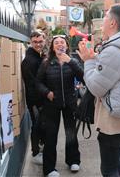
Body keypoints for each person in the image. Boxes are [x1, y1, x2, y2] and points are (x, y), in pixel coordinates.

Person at [77, 4, 120, 177]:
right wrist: (94, 59)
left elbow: (96, 88)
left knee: (109, 169)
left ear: (112, 22)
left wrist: (88, 61)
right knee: (116, 164)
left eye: (105, 17)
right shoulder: (118, 46)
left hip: (114, 117)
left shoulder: (114, 50)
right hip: (118, 112)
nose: (103, 20)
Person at [37, 35, 83, 177]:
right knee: (51, 135)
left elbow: (83, 76)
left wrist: (71, 62)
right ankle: (49, 168)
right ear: (52, 47)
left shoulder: (73, 61)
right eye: (56, 43)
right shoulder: (46, 63)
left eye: (62, 42)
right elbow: (38, 83)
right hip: (52, 104)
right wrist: (47, 92)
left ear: (67, 46)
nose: (59, 45)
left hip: (70, 102)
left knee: (71, 133)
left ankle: (73, 160)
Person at [21, 31, 46, 165]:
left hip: (39, 100)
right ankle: (36, 153)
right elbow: (32, 84)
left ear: (44, 41)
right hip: (36, 101)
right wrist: (38, 103)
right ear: (31, 42)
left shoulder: (38, 57)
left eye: (40, 41)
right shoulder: (29, 60)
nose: (38, 44)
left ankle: (39, 149)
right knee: (36, 126)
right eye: (35, 42)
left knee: (40, 125)